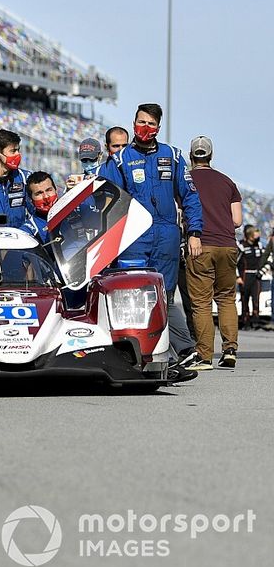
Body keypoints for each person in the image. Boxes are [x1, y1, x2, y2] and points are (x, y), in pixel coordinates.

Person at [99, 104, 202, 381]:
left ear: (158, 127)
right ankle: (131, 355)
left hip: (167, 235)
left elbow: (190, 197)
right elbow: (102, 196)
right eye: (140, 122)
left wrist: (194, 232)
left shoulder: (174, 156)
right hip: (134, 236)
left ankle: (169, 356)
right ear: (133, 123)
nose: (144, 127)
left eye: (150, 123)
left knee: (164, 297)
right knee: (132, 296)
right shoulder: (120, 160)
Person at [184, 135, 241, 370]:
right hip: (227, 245)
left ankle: (204, 355)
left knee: (201, 302)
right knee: (227, 298)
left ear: (191, 156)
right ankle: (230, 351)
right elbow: (237, 220)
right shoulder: (227, 182)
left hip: (200, 245)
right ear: (211, 156)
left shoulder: (185, 180)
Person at [238, 224, 264, 331]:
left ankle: (255, 321)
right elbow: (234, 262)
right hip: (245, 276)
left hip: (256, 276)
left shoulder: (260, 245)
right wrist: (237, 277)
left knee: (256, 299)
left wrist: (262, 271)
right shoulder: (241, 246)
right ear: (249, 234)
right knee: (245, 299)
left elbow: (266, 259)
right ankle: (245, 321)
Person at [22, 171, 58, 243]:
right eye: (39, 193)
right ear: (30, 199)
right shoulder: (29, 229)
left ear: (56, 190)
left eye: (49, 190)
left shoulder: (73, 210)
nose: (46, 197)